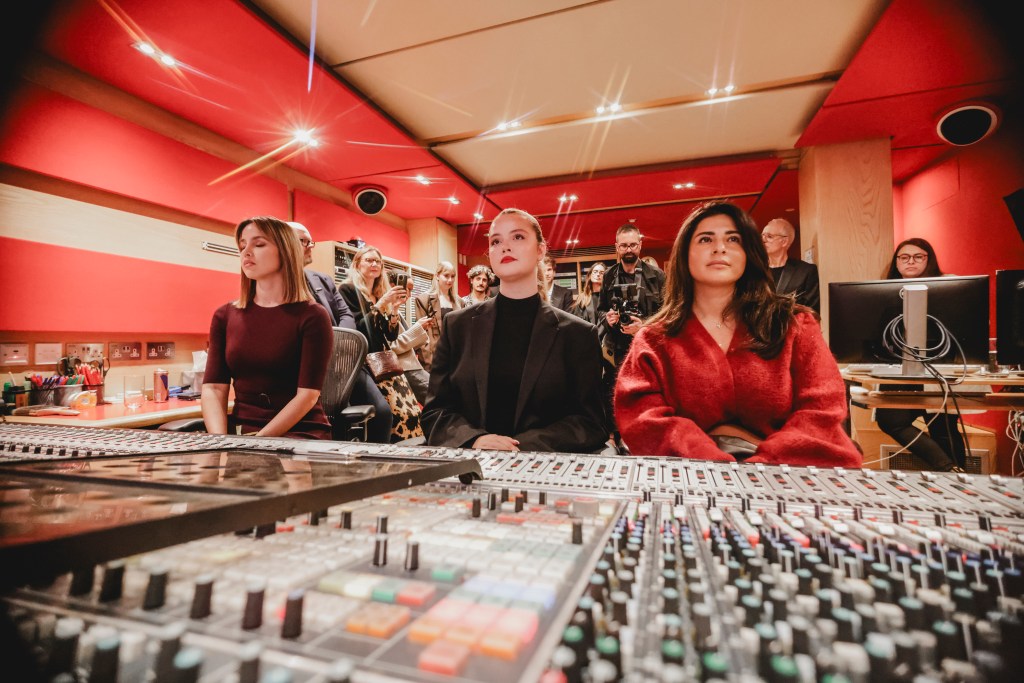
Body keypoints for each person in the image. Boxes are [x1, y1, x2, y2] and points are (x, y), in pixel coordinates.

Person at [614, 201, 862, 467]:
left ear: (748, 253)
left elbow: (821, 410)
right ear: (685, 254)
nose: (720, 247)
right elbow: (643, 418)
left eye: (733, 239)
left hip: (785, 477)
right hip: (692, 479)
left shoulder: (794, 326)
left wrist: (760, 467)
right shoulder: (653, 339)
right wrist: (716, 467)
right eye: (705, 239)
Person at [422, 208, 607, 453]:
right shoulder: (457, 326)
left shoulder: (578, 334)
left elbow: (590, 423)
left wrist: (521, 446)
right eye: (496, 241)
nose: (505, 247)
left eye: (518, 237)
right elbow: (435, 412)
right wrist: (475, 439)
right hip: (472, 468)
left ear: (541, 250)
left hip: (541, 469)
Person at [202, 216, 333, 439]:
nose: (246, 252)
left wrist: (260, 439)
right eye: (243, 245)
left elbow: (307, 396)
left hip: (300, 433)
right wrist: (219, 442)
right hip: (243, 435)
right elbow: (214, 388)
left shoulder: (313, 316)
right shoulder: (225, 315)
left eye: (259, 244)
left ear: (286, 251)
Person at [288, 221, 393, 443]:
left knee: (382, 413)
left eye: (310, 241)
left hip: (345, 361)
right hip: (306, 370)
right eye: (303, 241)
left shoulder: (322, 280)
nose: (310, 246)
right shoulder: (276, 285)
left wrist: (336, 343)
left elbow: (345, 316)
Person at [874, 238, 966, 471]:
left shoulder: (949, 285)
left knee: (943, 427)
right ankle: (949, 469)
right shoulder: (883, 291)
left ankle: (958, 483)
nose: (910, 261)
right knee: (890, 420)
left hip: (941, 365)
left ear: (929, 259)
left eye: (918, 256)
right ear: (896, 262)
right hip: (899, 368)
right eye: (904, 257)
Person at [596, 223, 666, 440]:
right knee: (616, 395)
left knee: (647, 396)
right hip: (616, 350)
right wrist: (608, 319)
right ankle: (618, 437)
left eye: (633, 245)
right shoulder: (609, 276)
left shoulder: (657, 276)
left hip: (648, 349)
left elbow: (667, 316)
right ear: (617, 247)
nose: (628, 250)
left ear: (640, 245)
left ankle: (647, 436)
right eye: (624, 246)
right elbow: (599, 312)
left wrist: (642, 327)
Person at [338, 247, 431, 406]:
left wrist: (394, 309)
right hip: (363, 363)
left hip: (384, 363)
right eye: (369, 260)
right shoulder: (348, 289)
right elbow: (358, 329)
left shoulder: (380, 293)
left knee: (408, 411)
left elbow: (391, 336)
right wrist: (381, 304)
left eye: (378, 261)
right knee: (386, 412)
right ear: (357, 264)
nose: (374, 264)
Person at [761, 218, 820, 313]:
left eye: (769, 236)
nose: (763, 240)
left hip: (792, 327)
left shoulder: (805, 271)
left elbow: (811, 313)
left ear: (784, 241)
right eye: (762, 236)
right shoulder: (753, 269)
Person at [414, 260, 463, 371]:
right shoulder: (423, 300)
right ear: (437, 276)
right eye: (446, 276)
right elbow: (423, 334)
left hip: (456, 357)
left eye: (453, 276)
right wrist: (428, 362)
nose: (450, 280)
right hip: (434, 357)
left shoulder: (460, 302)